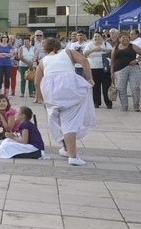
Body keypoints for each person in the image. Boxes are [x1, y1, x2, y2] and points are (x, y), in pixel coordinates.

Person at [34, 37, 96, 166]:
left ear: (45, 49)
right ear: (58, 45)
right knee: (70, 121)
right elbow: (84, 60)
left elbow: (36, 82)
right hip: (69, 89)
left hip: (51, 92)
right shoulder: (67, 52)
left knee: (58, 120)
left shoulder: (43, 61)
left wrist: (40, 98)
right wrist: (89, 79)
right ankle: (72, 156)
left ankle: (66, 149)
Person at [110, 31, 141, 112]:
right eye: (123, 37)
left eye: (127, 37)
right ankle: (124, 105)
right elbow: (112, 61)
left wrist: (137, 60)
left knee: (135, 87)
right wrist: (112, 72)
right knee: (121, 88)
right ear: (119, 39)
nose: (125, 39)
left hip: (133, 68)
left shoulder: (133, 46)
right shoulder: (115, 48)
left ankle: (136, 105)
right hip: (119, 70)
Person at [83, 32, 113, 109]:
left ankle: (108, 103)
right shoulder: (90, 44)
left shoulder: (106, 44)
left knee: (106, 86)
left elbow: (111, 51)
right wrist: (94, 50)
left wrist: (103, 49)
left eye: (98, 36)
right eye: (95, 36)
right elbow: (85, 54)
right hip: (93, 67)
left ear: (101, 37)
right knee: (96, 86)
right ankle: (96, 102)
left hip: (105, 67)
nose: (97, 38)